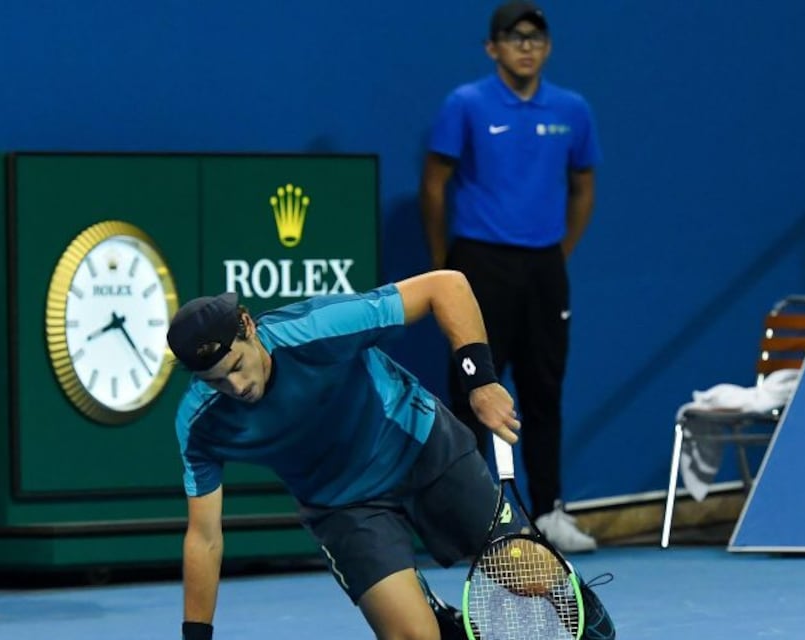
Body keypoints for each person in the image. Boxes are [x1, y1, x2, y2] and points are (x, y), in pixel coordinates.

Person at [166, 270, 614, 639]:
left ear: (248, 326)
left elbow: (448, 285)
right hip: (343, 507)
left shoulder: (318, 327)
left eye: (238, 368)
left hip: (420, 446)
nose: (236, 388)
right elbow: (204, 537)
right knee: (414, 637)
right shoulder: (200, 423)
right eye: (216, 382)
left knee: (529, 577)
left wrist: (479, 382)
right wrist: (196, 636)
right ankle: (437, 620)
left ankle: (581, 606)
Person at [419, 1, 602, 554]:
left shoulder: (572, 108)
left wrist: (557, 252)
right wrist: (442, 267)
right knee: (472, 390)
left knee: (545, 390)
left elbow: (584, 186)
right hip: (478, 264)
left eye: (536, 37)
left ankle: (548, 511)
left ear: (547, 47)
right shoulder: (466, 104)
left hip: (544, 267)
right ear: (491, 47)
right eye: (514, 37)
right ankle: (478, 518)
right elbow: (434, 184)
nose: (527, 46)